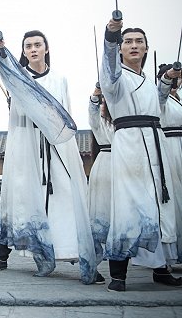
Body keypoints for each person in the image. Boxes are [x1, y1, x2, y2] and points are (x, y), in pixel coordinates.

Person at [0, 31, 97, 285]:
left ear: (47, 49)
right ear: (23, 52)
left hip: (57, 143)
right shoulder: (18, 78)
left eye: (38, 45)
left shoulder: (60, 79)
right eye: (28, 46)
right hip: (26, 143)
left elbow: (65, 113)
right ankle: (5, 254)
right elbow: (4, 68)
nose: (33, 49)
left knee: (66, 197)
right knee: (20, 197)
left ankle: (74, 252)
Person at [101, 19, 182, 290]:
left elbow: (158, 101)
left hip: (155, 141)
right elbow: (109, 65)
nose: (133, 45)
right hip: (130, 143)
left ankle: (160, 268)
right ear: (121, 48)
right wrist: (111, 36)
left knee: (159, 203)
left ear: (147, 48)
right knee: (128, 205)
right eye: (128, 41)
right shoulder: (114, 77)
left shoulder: (147, 80)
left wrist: (167, 79)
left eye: (139, 41)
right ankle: (118, 274)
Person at [157, 64, 182, 265]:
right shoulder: (160, 97)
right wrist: (166, 78)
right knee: (175, 199)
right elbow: (161, 93)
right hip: (170, 147)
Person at [87, 85, 114, 270]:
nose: (104, 104)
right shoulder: (98, 121)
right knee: (102, 209)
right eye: (103, 101)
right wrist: (96, 96)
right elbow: (92, 110)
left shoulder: (121, 120)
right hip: (104, 163)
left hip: (123, 162)